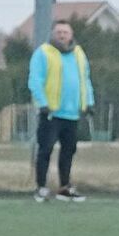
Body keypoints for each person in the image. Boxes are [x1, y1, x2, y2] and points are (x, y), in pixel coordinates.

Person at [28, 19, 93, 202]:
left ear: (71, 35)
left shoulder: (79, 53)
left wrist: (88, 101)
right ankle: (41, 187)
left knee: (69, 150)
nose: (62, 35)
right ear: (52, 34)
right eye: (58, 32)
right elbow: (35, 79)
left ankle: (65, 188)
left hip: (72, 113)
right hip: (51, 112)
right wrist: (42, 102)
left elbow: (85, 79)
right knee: (45, 149)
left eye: (65, 32)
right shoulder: (43, 53)